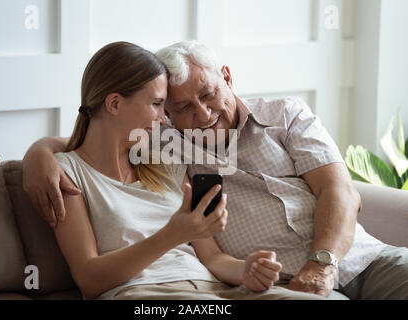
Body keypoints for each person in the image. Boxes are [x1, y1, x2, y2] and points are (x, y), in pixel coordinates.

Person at [23, 41, 408, 300]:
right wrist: (39, 153)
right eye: (177, 107)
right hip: (266, 283)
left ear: (226, 76)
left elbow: (341, 193)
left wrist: (314, 266)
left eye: (207, 95)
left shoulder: (283, 117)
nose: (202, 115)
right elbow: (92, 138)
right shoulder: (167, 143)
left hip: (355, 259)